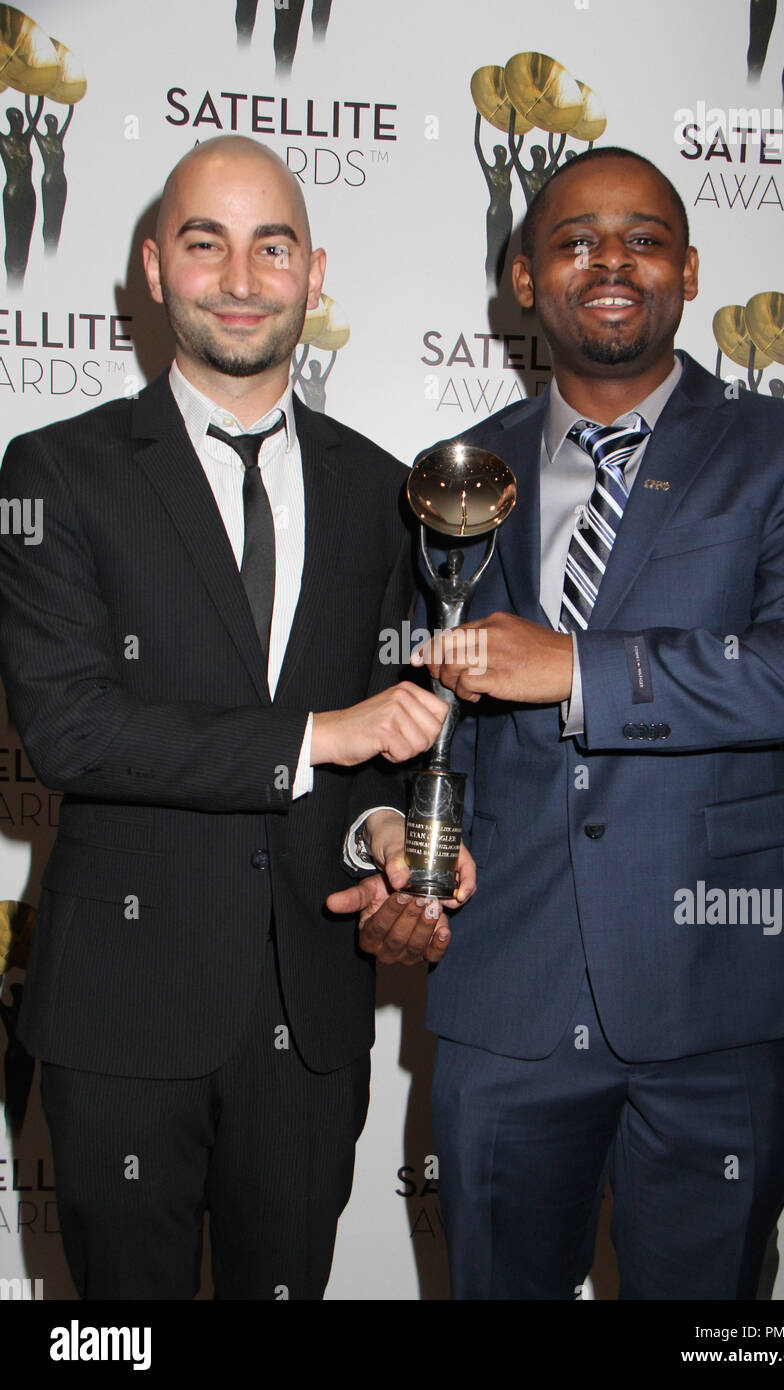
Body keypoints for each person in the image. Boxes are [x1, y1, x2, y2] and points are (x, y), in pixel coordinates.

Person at [0, 134, 473, 1300]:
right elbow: (69, 730)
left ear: (315, 274)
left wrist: (383, 843)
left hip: (306, 1017)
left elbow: (376, 757)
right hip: (121, 1012)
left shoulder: (384, 490)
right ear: (153, 269)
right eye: (205, 242)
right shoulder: (54, 474)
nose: (242, 275)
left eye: (274, 244)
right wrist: (322, 736)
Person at [405, 146, 784, 1299]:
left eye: (642, 237)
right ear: (522, 279)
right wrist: (385, 842)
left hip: (716, 984)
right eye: (571, 240)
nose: (608, 260)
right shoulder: (455, 476)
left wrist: (578, 669)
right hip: (504, 985)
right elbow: (417, 712)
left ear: (689, 269)